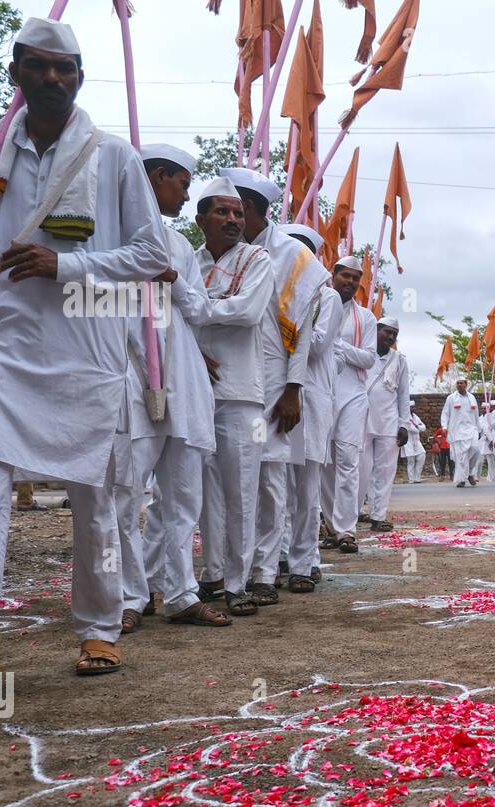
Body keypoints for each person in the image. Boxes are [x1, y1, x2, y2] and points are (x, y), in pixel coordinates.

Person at [0, 17, 169, 699]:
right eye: (38, 66)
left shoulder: (112, 157)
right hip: (0, 341)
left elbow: (155, 256)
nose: (52, 78)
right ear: (16, 73)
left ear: (80, 78)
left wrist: (68, 265)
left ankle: (100, 626)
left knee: (94, 497)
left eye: (64, 69)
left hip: (87, 347)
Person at [115, 144, 227, 633]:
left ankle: (180, 592)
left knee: (182, 496)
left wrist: (171, 276)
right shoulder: (109, 231)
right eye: (182, 184)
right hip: (126, 372)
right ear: (157, 177)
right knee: (122, 493)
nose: (186, 196)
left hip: (179, 375)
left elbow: (200, 310)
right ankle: (127, 596)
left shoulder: (178, 244)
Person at [218, 168, 323, 608]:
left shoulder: (293, 259)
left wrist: (294, 388)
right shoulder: (226, 252)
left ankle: (265, 572)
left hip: (278, 380)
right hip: (231, 377)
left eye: (240, 211)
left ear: (256, 210)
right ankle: (227, 572)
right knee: (227, 481)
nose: (234, 220)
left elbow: (299, 332)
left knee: (270, 478)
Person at [192, 176, 276, 618]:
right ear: (200, 218)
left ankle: (238, 583)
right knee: (203, 492)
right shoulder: (191, 260)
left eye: (238, 213)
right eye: (221, 212)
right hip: (194, 387)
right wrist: (192, 343)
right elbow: (169, 313)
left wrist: (196, 308)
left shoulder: (257, 258)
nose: (231, 220)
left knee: (242, 489)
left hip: (242, 392)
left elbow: (246, 312)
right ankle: (211, 574)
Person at [278, 223, 343, 593]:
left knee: (306, 487)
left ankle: (306, 561)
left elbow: (316, 346)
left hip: (311, 397)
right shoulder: (274, 288)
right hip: (278, 394)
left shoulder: (327, 297)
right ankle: (281, 554)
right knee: (276, 485)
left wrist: (283, 326)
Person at [322, 255, 376, 555]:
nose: (351, 282)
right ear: (335, 275)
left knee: (347, 460)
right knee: (322, 463)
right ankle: (331, 525)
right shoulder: (318, 305)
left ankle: (346, 530)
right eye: (347, 276)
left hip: (353, 393)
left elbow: (369, 358)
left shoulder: (365, 317)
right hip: (321, 391)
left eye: (356, 279)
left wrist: (336, 344)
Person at [358, 314, 409, 531]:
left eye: (394, 334)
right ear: (376, 330)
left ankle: (378, 516)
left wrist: (404, 423)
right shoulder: (362, 353)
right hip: (361, 420)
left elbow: (403, 395)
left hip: (389, 422)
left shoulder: (400, 360)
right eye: (387, 332)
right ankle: (352, 515)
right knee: (360, 470)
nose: (391, 337)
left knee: (385, 471)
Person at [441, 376, 479, 487]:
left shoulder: (471, 397)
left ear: (466, 384)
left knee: (475, 451)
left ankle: (470, 473)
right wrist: (444, 426)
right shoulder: (451, 398)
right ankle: (462, 479)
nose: (459, 385)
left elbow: (476, 414)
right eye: (457, 383)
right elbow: (445, 413)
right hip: (457, 431)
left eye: (461, 383)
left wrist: (479, 428)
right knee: (461, 457)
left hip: (472, 429)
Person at [403, 400, 427, 482]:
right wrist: (418, 427)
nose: (413, 408)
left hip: (417, 442)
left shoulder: (416, 417)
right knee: (411, 460)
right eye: (411, 407)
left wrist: (418, 427)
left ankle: (417, 477)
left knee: (422, 456)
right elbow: (411, 429)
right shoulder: (405, 417)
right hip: (408, 442)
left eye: (414, 407)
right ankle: (411, 478)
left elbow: (424, 427)